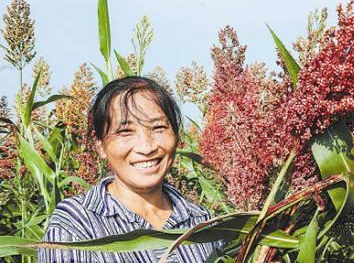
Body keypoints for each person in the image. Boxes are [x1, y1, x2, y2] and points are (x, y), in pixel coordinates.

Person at [38, 76, 222, 262]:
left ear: (176, 136)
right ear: (100, 145)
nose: (147, 146)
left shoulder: (201, 221)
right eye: (125, 131)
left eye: (158, 128)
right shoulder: (74, 224)